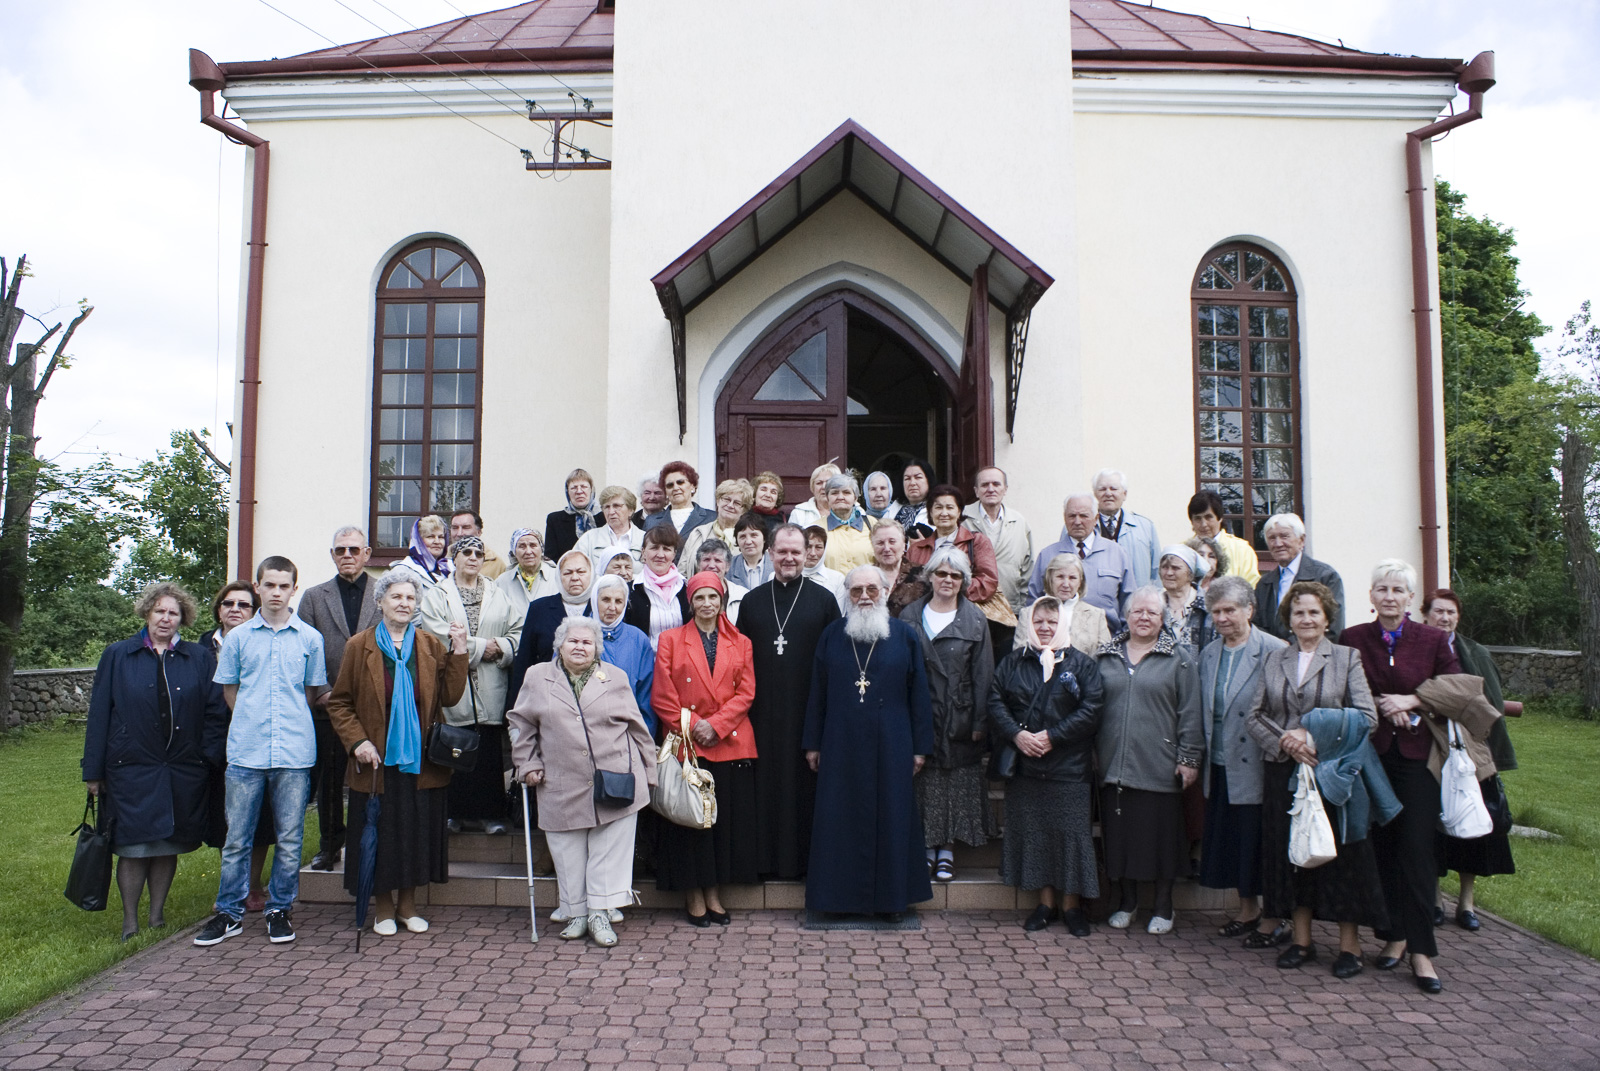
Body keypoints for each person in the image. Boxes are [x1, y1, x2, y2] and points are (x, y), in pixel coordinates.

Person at [1247, 580, 1389, 979]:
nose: (1305, 619)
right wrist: (1288, 743)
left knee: (1341, 858)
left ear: (1327, 618)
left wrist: (1312, 735)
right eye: (1298, 612)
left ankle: (1349, 947)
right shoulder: (1275, 659)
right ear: (1288, 620)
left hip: (1332, 773)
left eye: (1313, 612)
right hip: (1284, 772)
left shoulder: (1347, 658)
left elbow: (1367, 717)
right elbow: (1255, 715)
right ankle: (1302, 941)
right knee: (1294, 854)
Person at [195, 557, 328, 948]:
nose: (275, 592)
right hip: (246, 752)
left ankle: (279, 909)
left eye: (283, 586)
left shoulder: (309, 639)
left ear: (293, 589)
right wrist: (255, 719)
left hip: (294, 752)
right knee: (237, 837)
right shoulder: (237, 639)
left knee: (289, 837)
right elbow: (230, 690)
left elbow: (309, 693)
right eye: (268, 585)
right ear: (258, 588)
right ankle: (229, 913)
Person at [1340, 560, 1460, 993]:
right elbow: (1343, 688)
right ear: (1370, 596)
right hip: (1370, 757)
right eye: (1381, 589)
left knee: (1415, 848)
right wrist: (1379, 703)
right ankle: (1393, 934)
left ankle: (1422, 951)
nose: (1389, 596)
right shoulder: (1353, 639)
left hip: (1417, 758)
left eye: (1397, 590)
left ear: (1411, 598)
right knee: (1382, 848)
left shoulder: (1431, 639)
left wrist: (1413, 700)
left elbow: (1456, 688)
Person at [327, 572, 469, 937]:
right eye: (396, 597)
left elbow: (450, 697)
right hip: (375, 761)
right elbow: (340, 703)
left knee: (415, 833)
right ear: (380, 603)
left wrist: (460, 650)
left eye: (410, 597)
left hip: (420, 760)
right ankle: (384, 909)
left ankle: (408, 907)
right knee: (382, 833)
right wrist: (358, 741)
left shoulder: (430, 645)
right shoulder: (360, 646)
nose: (404, 603)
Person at [84, 582, 228, 940]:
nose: (166, 618)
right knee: (133, 846)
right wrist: (94, 771)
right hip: (131, 768)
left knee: (167, 843)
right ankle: (130, 922)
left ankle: (157, 917)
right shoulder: (118, 655)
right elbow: (100, 714)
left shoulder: (197, 657)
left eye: (173, 613)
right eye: (159, 611)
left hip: (182, 769)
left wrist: (206, 755)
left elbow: (214, 711)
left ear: (183, 619)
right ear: (147, 612)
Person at [508, 616, 656, 947]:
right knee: (567, 849)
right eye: (573, 641)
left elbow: (637, 727)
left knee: (608, 849)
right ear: (559, 645)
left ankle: (600, 913)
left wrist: (649, 772)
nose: (580, 647)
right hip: (560, 779)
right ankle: (575, 912)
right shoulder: (537, 677)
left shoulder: (614, 677)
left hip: (615, 778)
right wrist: (526, 763)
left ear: (597, 649)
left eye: (587, 642)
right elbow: (520, 724)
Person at [803, 565, 935, 919]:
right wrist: (812, 743)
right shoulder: (832, 635)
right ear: (846, 595)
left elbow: (919, 694)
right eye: (856, 590)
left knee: (891, 818)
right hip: (840, 740)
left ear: (885, 590)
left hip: (892, 741)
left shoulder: (904, 636)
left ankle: (891, 902)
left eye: (871, 590)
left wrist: (921, 746)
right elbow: (818, 692)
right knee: (839, 818)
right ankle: (836, 901)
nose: (864, 597)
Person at [988, 596, 1104, 935]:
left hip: (1069, 768)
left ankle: (1071, 906)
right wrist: (1017, 736)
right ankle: (1045, 903)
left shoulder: (1081, 665)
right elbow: (995, 701)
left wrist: (1054, 736)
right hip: (1025, 767)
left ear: (1063, 624)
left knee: (1070, 837)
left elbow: (1092, 708)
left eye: (1052, 622)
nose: (1045, 627)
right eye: (1039, 621)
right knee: (1037, 836)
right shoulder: (1013, 662)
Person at [652, 572, 758, 926]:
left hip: (728, 742)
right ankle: (692, 893)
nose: (707, 604)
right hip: (688, 743)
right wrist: (695, 727)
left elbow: (747, 692)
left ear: (722, 601)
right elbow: (663, 695)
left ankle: (714, 893)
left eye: (714, 597)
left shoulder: (741, 642)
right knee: (688, 821)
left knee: (719, 824)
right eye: (700, 598)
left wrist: (717, 725)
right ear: (690, 602)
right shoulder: (670, 639)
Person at [1095, 586, 1202, 935]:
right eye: (1138, 611)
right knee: (1120, 838)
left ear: (1162, 619)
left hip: (1159, 764)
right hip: (1113, 765)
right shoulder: (1105, 656)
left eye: (1152, 613)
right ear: (1126, 616)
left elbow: (1190, 713)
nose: (1144, 617)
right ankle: (1127, 902)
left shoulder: (1179, 658)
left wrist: (1188, 758)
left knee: (1162, 842)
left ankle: (1163, 905)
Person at [737, 524, 842, 879]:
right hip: (761, 716)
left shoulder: (824, 600)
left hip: (806, 714)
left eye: (796, 552)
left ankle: (802, 866)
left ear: (808, 554)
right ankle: (764, 864)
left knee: (803, 791)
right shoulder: (752, 602)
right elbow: (739, 663)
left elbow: (834, 664)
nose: (789, 558)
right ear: (770, 553)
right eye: (782, 551)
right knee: (764, 790)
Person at [1196, 575, 1287, 943]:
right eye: (1215, 611)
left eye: (1230, 610)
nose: (1222, 618)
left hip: (1260, 764)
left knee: (1260, 842)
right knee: (1234, 842)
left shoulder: (1275, 650)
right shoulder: (1209, 654)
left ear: (1249, 610)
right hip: (1219, 762)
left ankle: (1274, 917)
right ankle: (1247, 909)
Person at [897, 547, 994, 882]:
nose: (947, 580)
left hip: (959, 714)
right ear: (931, 577)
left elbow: (984, 674)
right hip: (919, 711)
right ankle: (924, 848)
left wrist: (981, 721)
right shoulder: (909, 615)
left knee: (953, 782)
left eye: (955, 575)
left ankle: (948, 848)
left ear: (964, 581)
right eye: (941, 573)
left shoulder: (975, 619)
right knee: (923, 782)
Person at [1423, 588, 1516, 930]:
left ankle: (1466, 903)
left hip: (1470, 752)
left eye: (1451, 612)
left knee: (1474, 829)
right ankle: (1434, 900)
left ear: (1458, 617)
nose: (1444, 618)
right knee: (1430, 828)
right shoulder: (1418, 648)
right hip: (1430, 750)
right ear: (1426, 615)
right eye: (1438, 612)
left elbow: (1488, 703)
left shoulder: (1475, 652)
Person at [419, 536, 523, 834]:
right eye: (467, 552)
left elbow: (516, 631)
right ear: (454, 557)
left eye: (479, 553)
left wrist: (501, 647)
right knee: (454, 747)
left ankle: (490, 815)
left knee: (488, 752)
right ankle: (454, 814)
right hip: (455, 685)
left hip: (490, 685)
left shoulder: (497, 593)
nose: (474, 557)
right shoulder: (438, 594)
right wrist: (482, 649)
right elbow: (436, 635)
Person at [297, 527, 381, 872]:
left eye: (354, 549)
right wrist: (322, 691)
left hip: (375, 703)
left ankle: (372, 842)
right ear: (333, 555)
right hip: (328, 704)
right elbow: (302, 649)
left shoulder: (383, 593)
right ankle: (330, 844)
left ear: (367, 553)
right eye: (340, 550)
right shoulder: (314, 597)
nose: (347, 555)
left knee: (374, 776)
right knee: (330, 780)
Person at [200, 582, 277, 909]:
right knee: (226, 818)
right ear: (218, 609)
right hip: (216, 745)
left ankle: (254, 883)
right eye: (227, 603)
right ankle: (233, 883)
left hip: (258, 740)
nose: (234, 609)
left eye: (243, 604)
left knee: (260, 817)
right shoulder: (201, 649)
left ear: (254, 610)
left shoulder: (268, 642)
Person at [1027, 494, 1136, 631]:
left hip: (1107, 641)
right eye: (1072, 516)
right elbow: (1033, 603)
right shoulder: (1047, 555)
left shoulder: (1117, 553)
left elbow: (1130, 603)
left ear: (1096, 519)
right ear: (1064, 518)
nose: (1077, 522)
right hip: (1057, 641)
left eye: (1084, 516)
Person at [508, 550, 595, 703]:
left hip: (592, 698)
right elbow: (524, 660)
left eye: (581, 572)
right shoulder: (539, 608)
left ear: (592, 574)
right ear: (559, 576)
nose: (575, 577)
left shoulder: (602, 607)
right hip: (547, 697)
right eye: (568, 573)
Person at [905, 485, 1000, 611]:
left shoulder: (977, 542)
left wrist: (950, 589)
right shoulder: (916, 549)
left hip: (964, 613)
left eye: (950, 507)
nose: (944, 513)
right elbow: (907, 584)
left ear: (959, 511)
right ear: (930, 512)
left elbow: (987, 582)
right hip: (925, 613)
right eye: (938, 507)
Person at [1254, 513, 1344, 642]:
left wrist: (1292, 649)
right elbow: (1256, 626)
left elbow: (1334, 627)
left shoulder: (1326, 576)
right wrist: (1275, 648)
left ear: (1301, 540)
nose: (1278, 543)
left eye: (1284, 536)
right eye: (1272, 538)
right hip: (1273, 658)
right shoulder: (1264, 583)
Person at [962, 465, 1033, 617]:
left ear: (1005, 489)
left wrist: (1022, 606)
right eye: (985, 485)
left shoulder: (1019, 522)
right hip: (971, 608)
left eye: (996, 484)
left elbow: (1027, 569)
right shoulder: (962, 519)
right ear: (976, 490)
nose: (990, 489)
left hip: (1009, 609)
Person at [591, 574, 656, 734]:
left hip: (627, 731)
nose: (612, 607)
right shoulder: (576, 634)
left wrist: (644, 737)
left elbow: (646, 697)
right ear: (594, 600)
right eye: (606, 600)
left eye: (619, 601)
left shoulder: (638, 639)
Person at [1029, 554, 1112, 655]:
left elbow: (1106, 658)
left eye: (1072, 578)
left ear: (1080, 582)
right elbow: (1019, 659)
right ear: (1049, 578)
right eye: (1060, 577)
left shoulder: (1096, 615)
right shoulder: (1028, 613)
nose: (1066, 584)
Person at [625, 524, 691, 648]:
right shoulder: (630, 592)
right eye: (654, 548)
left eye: (666, 549)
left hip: (681, 664)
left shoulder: (687, 589)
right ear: (643, 552)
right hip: (645, 664)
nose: (660, 555)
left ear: (674, 554)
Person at [1091, 469, 1161, 584]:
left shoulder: (1146, 527)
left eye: (1113, 488)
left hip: (1137, 599)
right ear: (1094, 494)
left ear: (1125, 494)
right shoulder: (1080, 527)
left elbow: (1157, 571)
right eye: (1102, 489)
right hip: (1097, 601)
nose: (1108, 493)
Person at [682, 478, 755, 578]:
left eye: (737, 503)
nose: (730, 505)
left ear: (744, 510)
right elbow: (682, 572)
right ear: (718, 501)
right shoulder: (698, 533)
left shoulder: (748, 538)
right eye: (726, 499)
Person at [647, 461, 716, 561]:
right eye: (670, 485)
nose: (675, 488)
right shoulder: (652, 521)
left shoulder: (711, 518)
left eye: (680, 482)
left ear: (692, 486)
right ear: (665, 491)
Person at [1187, 491, 1259, 585]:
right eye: (1197, 518)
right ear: (1191, 521)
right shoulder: (1184, 550)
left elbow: (1251, 588)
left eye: (1208, 517)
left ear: (1220, 518)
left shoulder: (1242, 550)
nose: (1203, 524)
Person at [576, 485, 644, 572]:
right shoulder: (589, 539)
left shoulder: (645, 539)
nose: (611, 512)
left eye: (617, 506)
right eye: (607, 507)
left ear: (630, 510)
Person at [1158, 544, 1211, 650]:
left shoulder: (1207, 605)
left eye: (1175, 568)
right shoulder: (1154, 604)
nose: (1169, 573)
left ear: (1190, 574)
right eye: (1164, 567)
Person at [497, 528, 558, 618]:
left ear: (541, 549)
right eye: (522, 546)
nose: (528, 552)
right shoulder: (502, 582)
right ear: (514, 552)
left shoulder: (557, 577)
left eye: (533, 545)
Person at [821, 474, 875, 573]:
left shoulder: (872, 524)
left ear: (855, 498)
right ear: (827, 498)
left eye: (846, 492)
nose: (840, 497)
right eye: (834, 493)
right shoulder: (816, 528)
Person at [543, 467, 600, 562]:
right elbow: (551, 558)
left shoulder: (604, 517)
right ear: (567, 492)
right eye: (574, 488)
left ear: (591, 490)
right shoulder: (555, 520)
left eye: (584, 486)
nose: (579, 491)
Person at [873, 520, 927, 617]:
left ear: (904, 544)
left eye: (892, 542)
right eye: (880, 543)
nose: (886, 548)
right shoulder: (864, 576)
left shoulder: (923, 575)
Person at [388, 515, 450, 596]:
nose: (437, 541)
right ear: (419, 542)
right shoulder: (402, 572)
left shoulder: (448, 569)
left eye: (441, 537)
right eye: (430, 537)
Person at [692, 538, 748, 624]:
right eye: (706, 559)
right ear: (698, 564)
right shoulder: (687, 594)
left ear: (727, 566)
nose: (711, 565)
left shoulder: (742, 596)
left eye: (717, 560)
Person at [448, 509, 506, 580]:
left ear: (479, 532)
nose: (459, 533)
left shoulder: (496, 565)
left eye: (466, 527)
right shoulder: (440, 558)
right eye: (455, 528)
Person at [801, 524, 847, 607]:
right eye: (808, 546)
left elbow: (838, 616)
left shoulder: (837, 579)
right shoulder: (783, 576)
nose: (813, 553)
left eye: (818, 547)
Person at [787, 462, 840, 529]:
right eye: (819, 483)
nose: (823, 487)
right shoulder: (799, 513)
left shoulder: (854, 511)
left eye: (829, 482)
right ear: (813, 488)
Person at [728, 512, 773, 589]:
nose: (748, 541)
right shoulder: (729, 567)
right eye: (742, 536)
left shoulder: (777, 565)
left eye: (754, 535)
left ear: (764, 538)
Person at [894, 459, 936, 539]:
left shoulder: (937, 509)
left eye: (918, 477)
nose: (912, 483)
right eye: (907, 479)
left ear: (929, 480)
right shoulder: (894, 506)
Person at [749, 471, 787, 539]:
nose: (768, 495)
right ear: (755, 493)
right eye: (763, 490)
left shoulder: (786, 520)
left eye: (773, 492)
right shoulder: (744, 516)